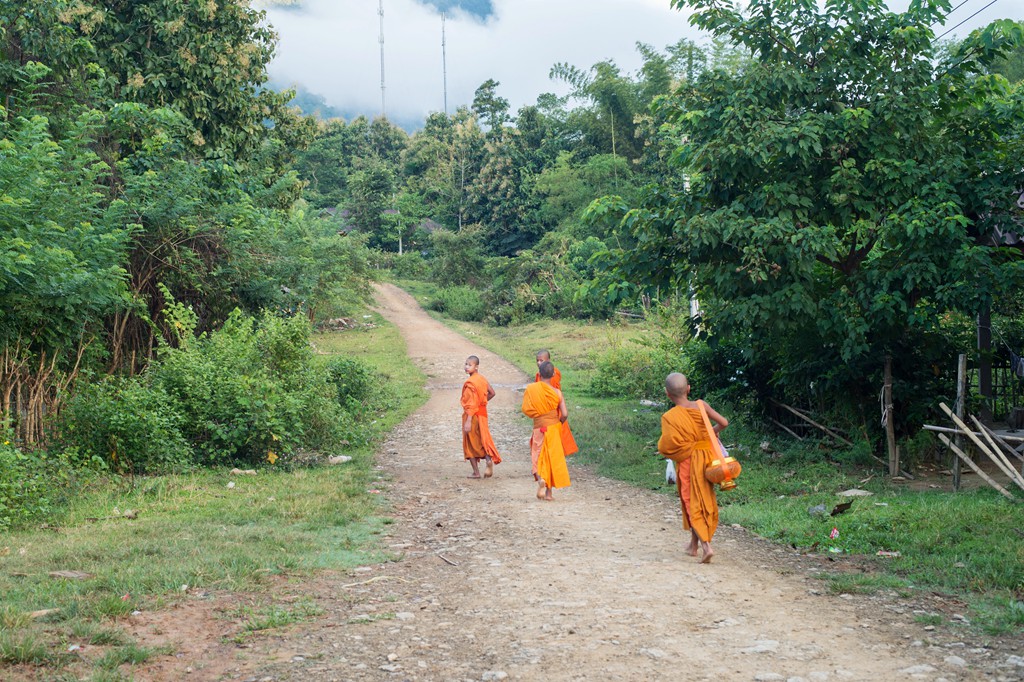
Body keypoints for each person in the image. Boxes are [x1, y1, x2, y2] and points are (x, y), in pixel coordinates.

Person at [658, 372, 729, 563]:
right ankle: (693, 545)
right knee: (704, 498)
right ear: (688, 389)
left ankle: (706, 546)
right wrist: (709, 435)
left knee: (691, 501)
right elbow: (723, 423)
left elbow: (666, 447)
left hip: (689, 461)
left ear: (667, 394)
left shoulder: (670, 417)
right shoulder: (701, 405)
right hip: (708, 460)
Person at [522, 361, 572, 500]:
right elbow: (565, 413)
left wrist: (539, 415)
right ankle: (549, 494)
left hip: (540, 427)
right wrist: (559, 422)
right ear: (553, 374)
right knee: (551, 458)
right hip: (554, 427)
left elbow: (526, 409)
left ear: (539, 374)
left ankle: (540, 479)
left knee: (537, 454)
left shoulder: (532, 388)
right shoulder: (557, 392)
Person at [461, 355, 501, 479]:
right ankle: (488, 459)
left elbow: (471, 405)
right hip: (482, 415)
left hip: (471, 416)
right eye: (466, 364)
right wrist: (482, 404)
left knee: (470, 443)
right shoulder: (482, 379)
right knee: (482, 439)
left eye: (470, 365)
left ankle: (476, 472)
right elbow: (492, 393)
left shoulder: (470, 383)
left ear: (476, 367)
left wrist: (468, 421)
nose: (466, 367)